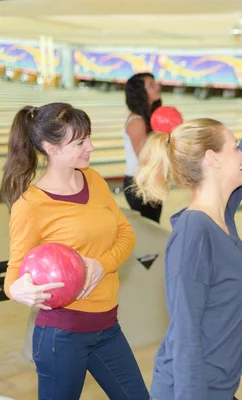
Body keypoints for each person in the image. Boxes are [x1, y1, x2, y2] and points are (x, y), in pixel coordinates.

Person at [133, 18, 242, 400]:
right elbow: (186, 338)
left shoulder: (221, 216)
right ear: (213, 160)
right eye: (233, 148)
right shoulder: (193, 233)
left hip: (217, 389)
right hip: (192, 391)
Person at [0, 103, 148, 399]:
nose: (90, 147)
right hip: (62, 336)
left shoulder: (93, 180)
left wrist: (101, 264)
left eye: (89, 137)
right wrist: (20, 291)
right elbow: (13, 276)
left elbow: (126, 233)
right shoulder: (31, 206)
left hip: (108, 327)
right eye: (80, 142)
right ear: (50, 148)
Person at [124, 72, 163, 223]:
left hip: (148, 180)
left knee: (153, 225)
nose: (157, 87)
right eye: (151, 85)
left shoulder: (148, 118)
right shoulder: (137, 121)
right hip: (139, 184)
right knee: (150, 228)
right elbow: (144, 158)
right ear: (140, 93)